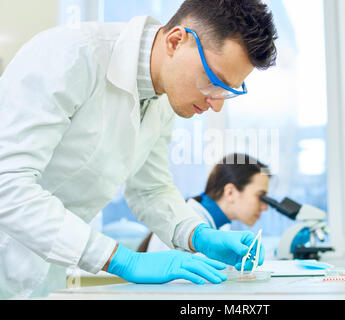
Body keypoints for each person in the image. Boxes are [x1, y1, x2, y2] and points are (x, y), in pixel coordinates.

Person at [0, 0, 277, 298]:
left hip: (43, 273)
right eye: (213, 81)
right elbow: (8, 184)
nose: (217, 104)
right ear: (175, 41)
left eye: (228, 91)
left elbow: (150, 189)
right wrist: (122, 259)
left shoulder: (165, 95)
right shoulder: (68, 54)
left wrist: (198, 234)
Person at [137, 154, 270, 253]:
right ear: (230, 192)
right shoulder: (185, 225)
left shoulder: (218, 229)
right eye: (261, 196)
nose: (265, 207)